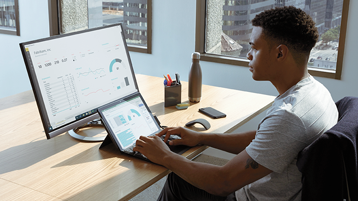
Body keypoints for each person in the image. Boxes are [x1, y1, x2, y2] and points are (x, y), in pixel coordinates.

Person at [133, 6, 338, 201]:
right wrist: (201, 138)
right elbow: (264, 139)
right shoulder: (315, 92)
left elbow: (223, 182)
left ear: (279, 53)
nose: (249, 55)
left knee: (178, 179)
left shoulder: (290, 116)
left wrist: (165, 156)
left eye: (254, 47)